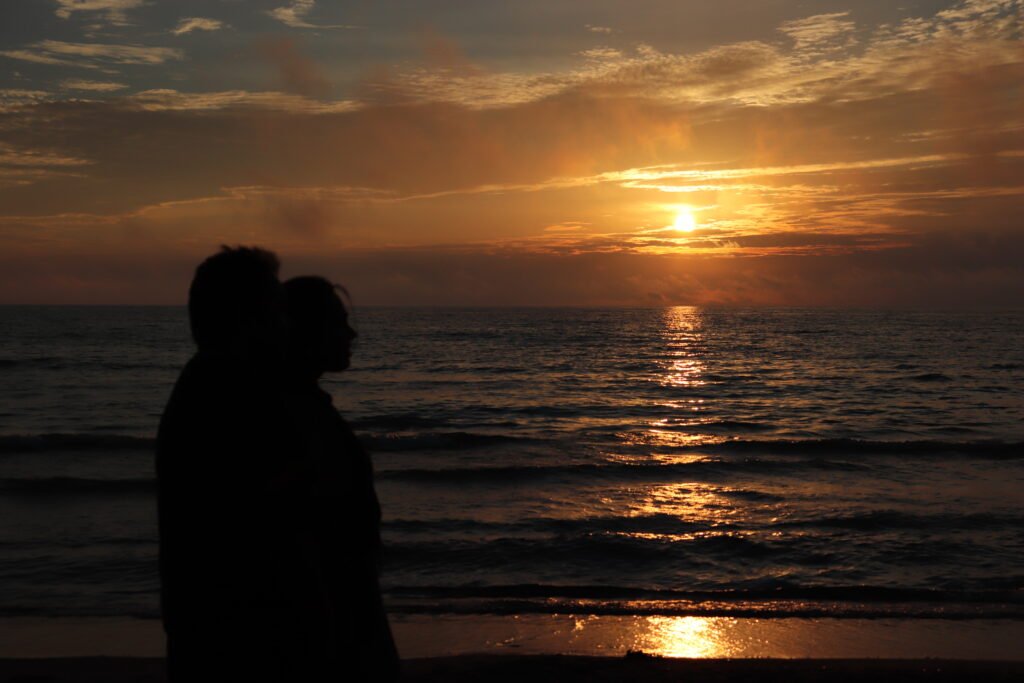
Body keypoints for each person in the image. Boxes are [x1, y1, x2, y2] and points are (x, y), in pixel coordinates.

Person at [156, 247, 327, 681]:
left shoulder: (217, 384)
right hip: (239, 638)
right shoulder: (227, 394)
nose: (286, 323)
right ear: (246, 317)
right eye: (276, 311)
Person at [282, 275, 400, 682]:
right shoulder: (292, 417)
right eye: (337, 323)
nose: (351, 333)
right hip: (336, 612)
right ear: (303, 331)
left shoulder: (302, 407)